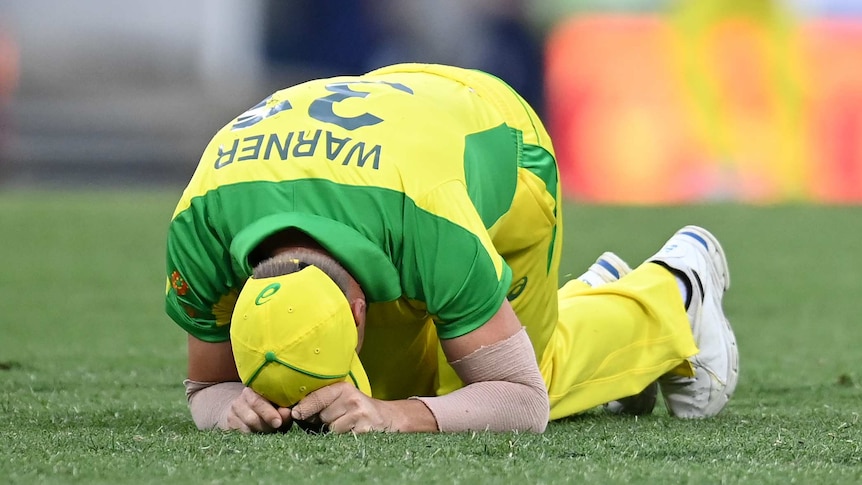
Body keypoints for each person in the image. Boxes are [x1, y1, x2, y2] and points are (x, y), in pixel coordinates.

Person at [165, 63, 739, 434]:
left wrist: (395, 416)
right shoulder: (199, 229)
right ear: (239, 296)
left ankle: (673, 291)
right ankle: (587, 301)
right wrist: (231, 408)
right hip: (399, 118)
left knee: (445, 393)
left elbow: (521, 401)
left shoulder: (430, 221)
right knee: (359, 407)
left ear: (361, 310)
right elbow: (209, 386)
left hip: (502, 143)